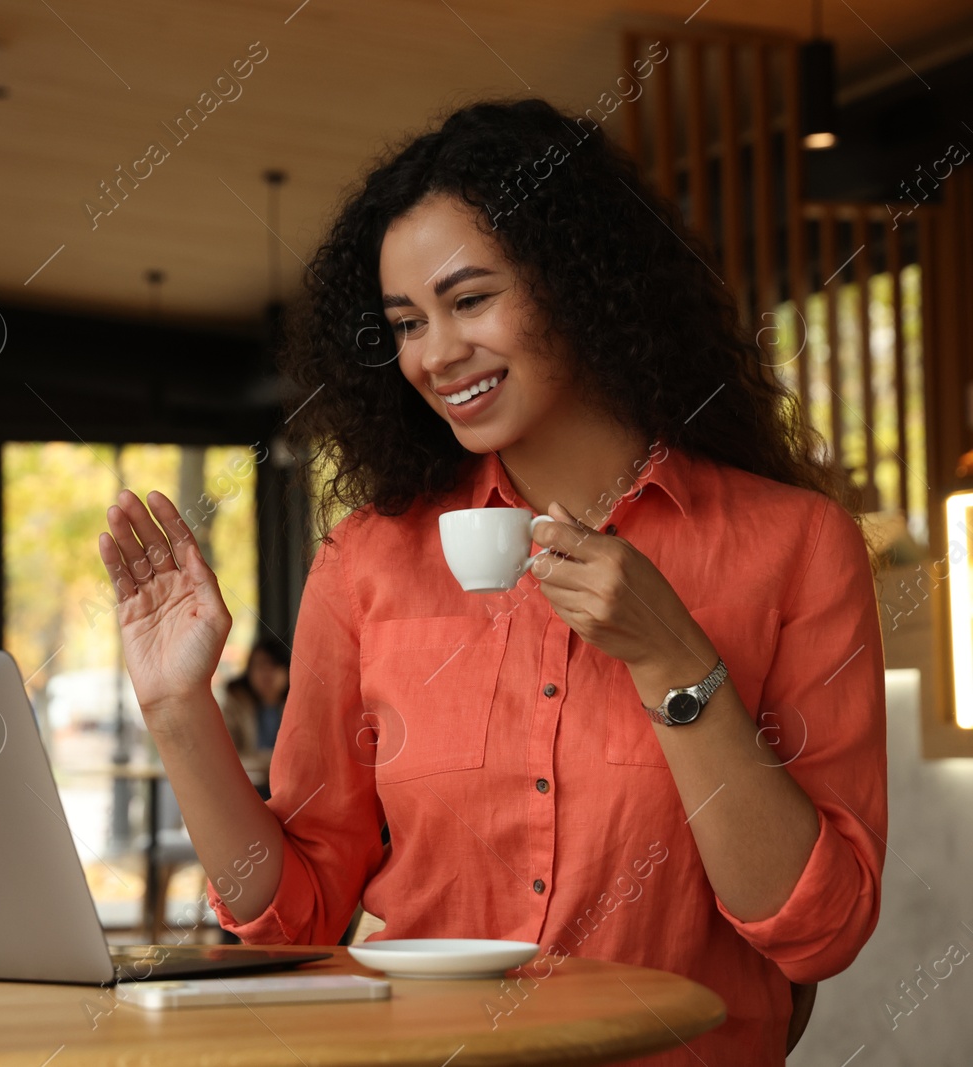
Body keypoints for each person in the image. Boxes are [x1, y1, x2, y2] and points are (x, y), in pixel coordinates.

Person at [95, 97, 885, 1066]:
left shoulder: (794, 545)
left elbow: (815, 930)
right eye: (405, 323)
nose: (433, 354)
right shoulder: (366, 560)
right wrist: (177, 708)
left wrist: (675, 663)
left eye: (469, 300)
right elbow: (292, 914)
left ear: (578, 281)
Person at [218, 636, 291, 798]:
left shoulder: (298, 704)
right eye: (259, 666)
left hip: (287, 792)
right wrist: (272, 761)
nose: (266, 674)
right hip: (244, 790)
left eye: (273, 665)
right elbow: (226, 757)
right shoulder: (236, 702)